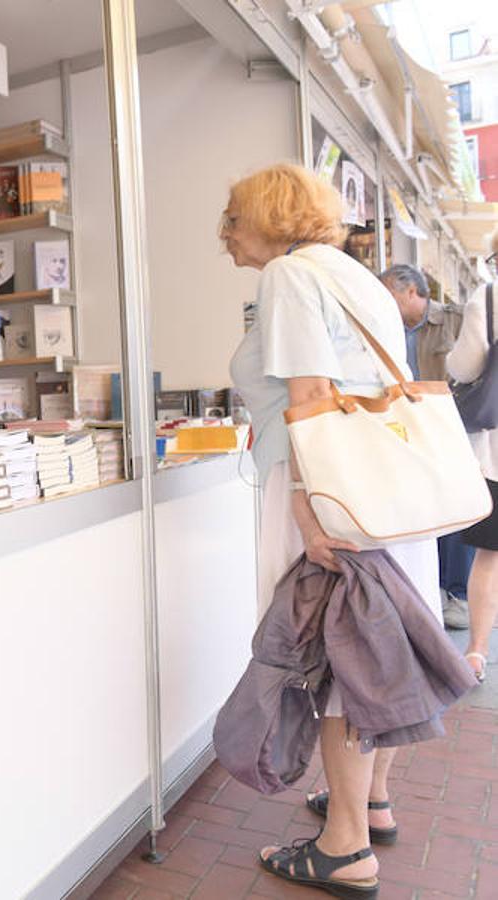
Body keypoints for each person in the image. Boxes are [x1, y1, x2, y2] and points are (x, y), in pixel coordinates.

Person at [223, 163, 443, 896]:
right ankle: (370, 803)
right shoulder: (354, 276)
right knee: (380, 649)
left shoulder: (286, 277)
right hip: (387, 490)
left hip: (330, 490)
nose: (223, 234)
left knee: (340, 657)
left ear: (272, 218)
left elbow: (312, 394)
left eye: (232, 217)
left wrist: (308, 511)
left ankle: (345, 847)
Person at [379, 263, 472, 630]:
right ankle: (427, 591)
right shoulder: (385, 329)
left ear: (413, 292)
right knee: (420, 512)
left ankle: (457, 595)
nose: (383, 302)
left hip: (452, 430)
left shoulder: (455, 320)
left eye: (390, 294)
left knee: (454, 513)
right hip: (404, 432)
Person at [445, 229, 498, 683]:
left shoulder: (488, 298)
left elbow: (463, 367)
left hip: (495, 453)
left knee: (490, 556)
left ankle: (478, 651)